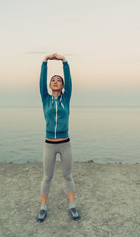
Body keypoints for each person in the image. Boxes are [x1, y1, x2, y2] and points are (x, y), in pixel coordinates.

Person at [36, 53, 81, 222]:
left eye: (59, 80)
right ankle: (43, 208)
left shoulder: (66, 98)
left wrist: (64, 62)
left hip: (65, 144)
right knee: (47, 177)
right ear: (49, 84)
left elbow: (69, 80)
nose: (56, 81)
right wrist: (45, 61)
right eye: (53, 80)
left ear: (62, 86)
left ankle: (72, 206)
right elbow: (41, 81)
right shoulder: (45, 98)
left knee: (67, 176)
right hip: (49, 144)